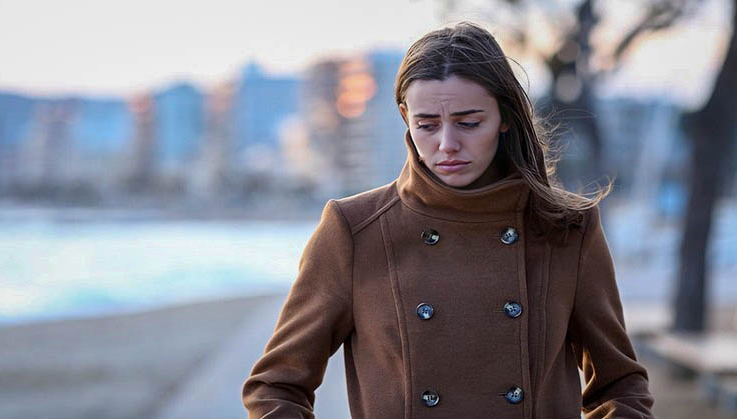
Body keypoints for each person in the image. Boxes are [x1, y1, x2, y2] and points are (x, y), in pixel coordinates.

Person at [242, 21, 654, 418]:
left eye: (468, 122)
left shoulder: (568, 229)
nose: (447, 145)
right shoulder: (355, 230)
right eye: (427, 124)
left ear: (506, 117)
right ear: (406, 117)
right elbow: (276, 386)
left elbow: (620, 386)